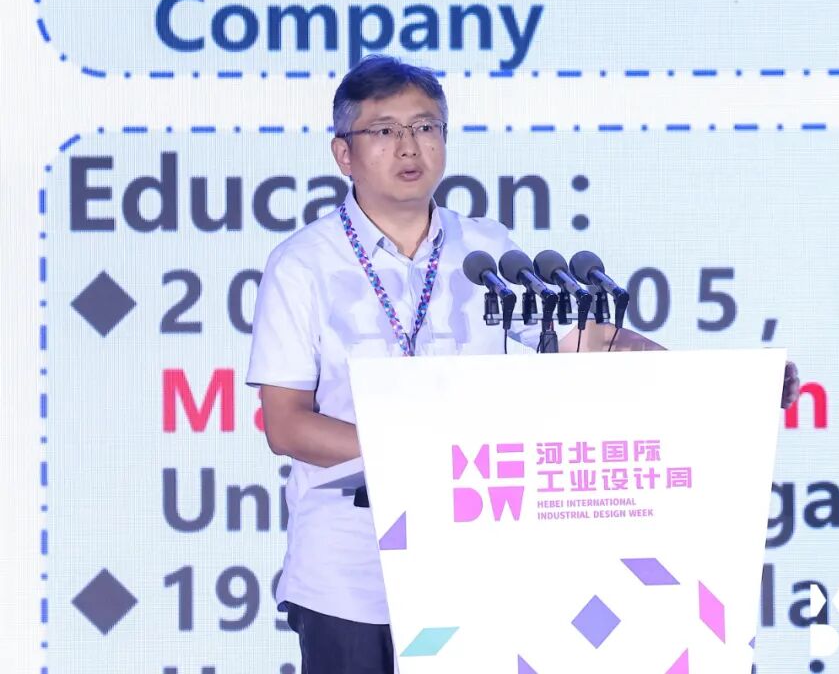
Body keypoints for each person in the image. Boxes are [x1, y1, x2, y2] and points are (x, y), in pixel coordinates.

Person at [247, 55, 800, 673]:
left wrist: (722, 387)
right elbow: (286, 425)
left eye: (425, 127)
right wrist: (416, 455)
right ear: (343, 153)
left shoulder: (485, 248)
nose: (409, 146)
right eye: (384, 130)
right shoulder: (302, 264)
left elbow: (579, 342)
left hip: (476, 563)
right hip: (352, 571)